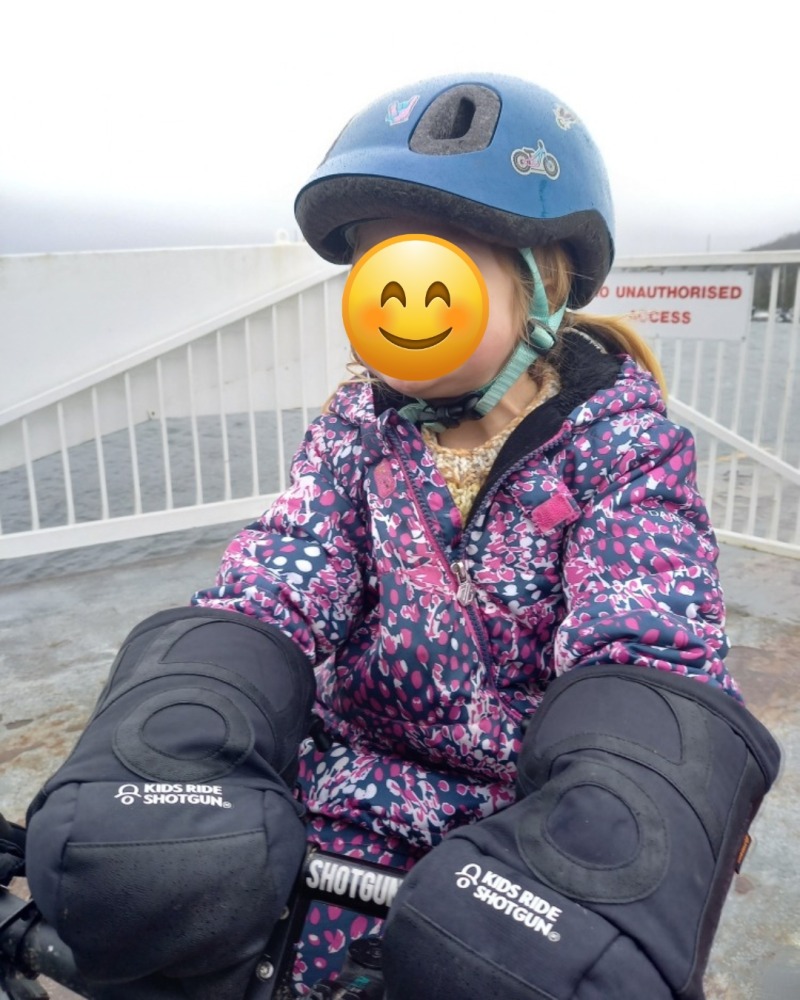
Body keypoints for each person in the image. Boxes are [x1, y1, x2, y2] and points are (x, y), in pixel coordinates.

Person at [21, 73, 780, 999]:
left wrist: (621, 823)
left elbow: (647, 633)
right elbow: (283, 575)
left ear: (544, 273)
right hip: (332, 800)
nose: (399, 287)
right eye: (378, 254)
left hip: (514, 845)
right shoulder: (358, 427)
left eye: (440, 250)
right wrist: (174, 725)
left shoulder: (624, 447)